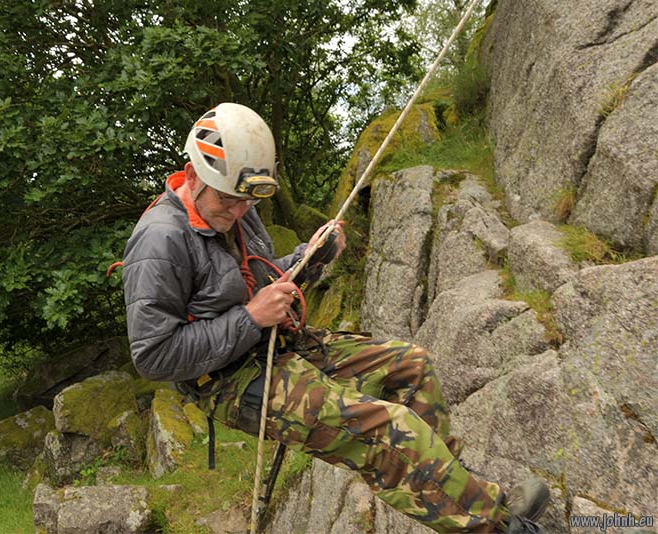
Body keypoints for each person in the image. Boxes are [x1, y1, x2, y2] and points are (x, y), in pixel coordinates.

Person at [122, 102, 549, 533]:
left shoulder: (237, 212)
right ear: (193, 173)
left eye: (246, 201)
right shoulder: (160, 242)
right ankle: (498, 526)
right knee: (388, 430)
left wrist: (309, 258)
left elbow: (264, 278)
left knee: (412, 366)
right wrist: (251, 318)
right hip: (227, 381)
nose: (237, 212)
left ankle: (465, 498)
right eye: (227, 201)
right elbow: (154, 356)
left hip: (275, 345)